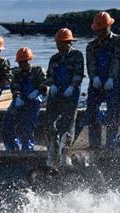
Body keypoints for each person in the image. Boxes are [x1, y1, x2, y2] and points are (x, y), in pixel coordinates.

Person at [85, 11, 120, 149]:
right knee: (92, 110)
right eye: (99, 30)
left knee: (113, 111)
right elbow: (90, 64)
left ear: (109, 26)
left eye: (103, 29)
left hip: (114, 81)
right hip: (96, 81)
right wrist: (94, 77)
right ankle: (94, 143)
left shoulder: (119, 41)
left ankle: (111, 143)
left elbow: (116, 60)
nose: (101, 32)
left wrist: (111, 78)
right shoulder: (91, 45)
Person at [43, 28, 84, 167]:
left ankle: (65, 154)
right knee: (49, 123)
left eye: (62, 43)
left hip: (71, 93)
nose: (59, 45)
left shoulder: (77, 55)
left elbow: (79, 74)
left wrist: (71, 87)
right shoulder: (54, 58)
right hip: (55, 94)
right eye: (58, 43)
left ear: (69, 42)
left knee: (68, 123)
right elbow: (49, 75)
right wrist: (52, 85)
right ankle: (52, 151)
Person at [1, 47, 45, 152]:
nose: (22, 64)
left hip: (33, 102)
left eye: (25, 61)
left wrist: (37, 91)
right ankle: (12, 150)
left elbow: (45, 84)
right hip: (19, 101)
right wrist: (17, 97)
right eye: (20, 62)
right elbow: (15, 86)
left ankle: (27, 151)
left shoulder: (38, 70)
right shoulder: (17, 72)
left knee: (26, 128)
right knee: (7, 125)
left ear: (30, 60)